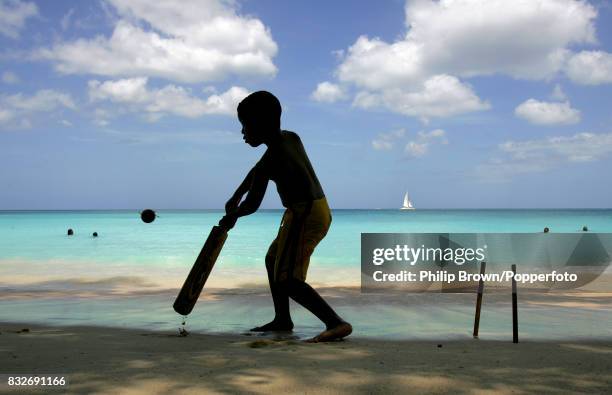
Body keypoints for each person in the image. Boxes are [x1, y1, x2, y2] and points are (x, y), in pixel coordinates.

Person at [219, 91, 352, 342]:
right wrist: (235, 195)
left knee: (288, 278)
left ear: (261, 123)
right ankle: (283, 319)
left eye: (245, 125)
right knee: (273, 260)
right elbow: (256, 171)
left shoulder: (274, 157)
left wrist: (233, 215)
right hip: (309, 210)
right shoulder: (290, 138)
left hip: (306, 215)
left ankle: (336, 323)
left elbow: (252, 204)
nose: (243, 132)